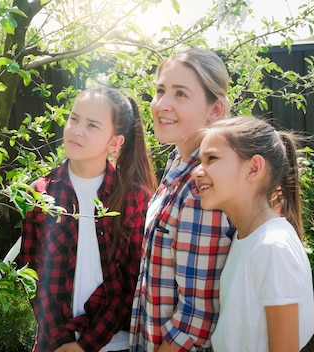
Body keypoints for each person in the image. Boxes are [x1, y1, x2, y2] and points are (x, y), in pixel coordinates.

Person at [19, 86, 157, 352]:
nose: (77, 130)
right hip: (53, 344)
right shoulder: (39, 193)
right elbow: (32, 277)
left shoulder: (133, 198)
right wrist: (62, 342)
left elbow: (131, 281)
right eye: (74, 119)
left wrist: (85, 346)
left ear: (115, 142)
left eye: (92, 125)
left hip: (112, 344)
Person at [130, 48, 234, 352]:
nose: (162, 104)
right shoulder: (178, 158)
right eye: (160, 90)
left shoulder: (204, 184)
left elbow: (197, 319)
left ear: (215, 109)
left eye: (180, 94)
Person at [192, 116, 314, 351]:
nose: (197, 172)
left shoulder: (271, 247)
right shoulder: (247, 238)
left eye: (211, 159)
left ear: (254, 168)